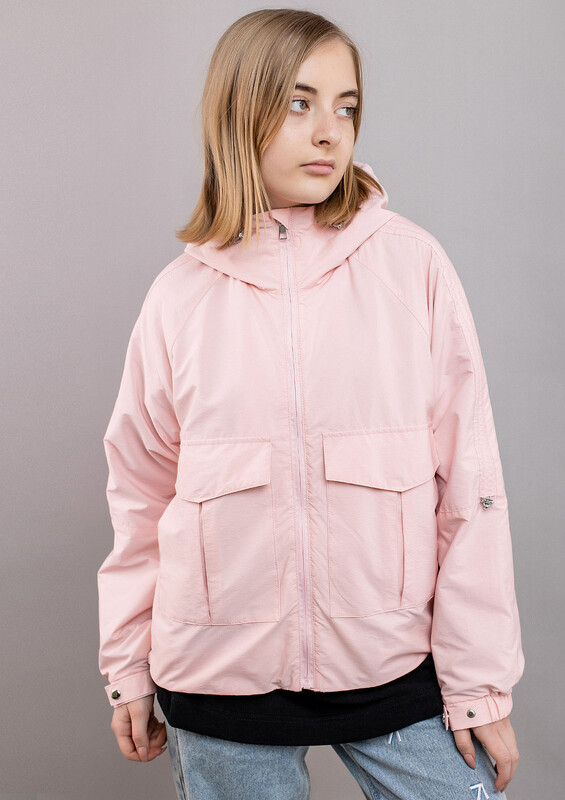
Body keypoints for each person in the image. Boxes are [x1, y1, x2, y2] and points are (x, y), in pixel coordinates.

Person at [97, 8, 525, 799]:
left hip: (391, 661)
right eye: (299, 103)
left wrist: (478, 682)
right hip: (218, 678)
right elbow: (140, 497)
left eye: (346, 106)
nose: (330, 131)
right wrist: (126, 665)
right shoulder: (178, 298)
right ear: (239, 113)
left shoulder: (414, 268)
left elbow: (472, 485)